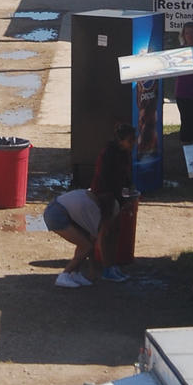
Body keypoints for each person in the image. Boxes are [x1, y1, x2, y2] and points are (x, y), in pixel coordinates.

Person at [91, 123, 135, 282]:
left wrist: (127, 191)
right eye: (130, 140)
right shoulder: (109, 154)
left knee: (115, 231)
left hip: (115, 195)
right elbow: (105, 179)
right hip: (105, 195)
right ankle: (106, 267)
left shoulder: (124, 153)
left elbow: (126, 176)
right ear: (120, 140)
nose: (133, 144)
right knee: (106, 231)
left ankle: (112, 265)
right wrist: (118, 199)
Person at [42, 187, 106, 287]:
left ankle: (75, 273)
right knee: (87, 246)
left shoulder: (87, 194)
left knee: (84, 242)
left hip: (55, 207)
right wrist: (93, 269)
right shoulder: (94, 210)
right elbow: (94, 240)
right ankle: (64, 275)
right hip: (56, 215)